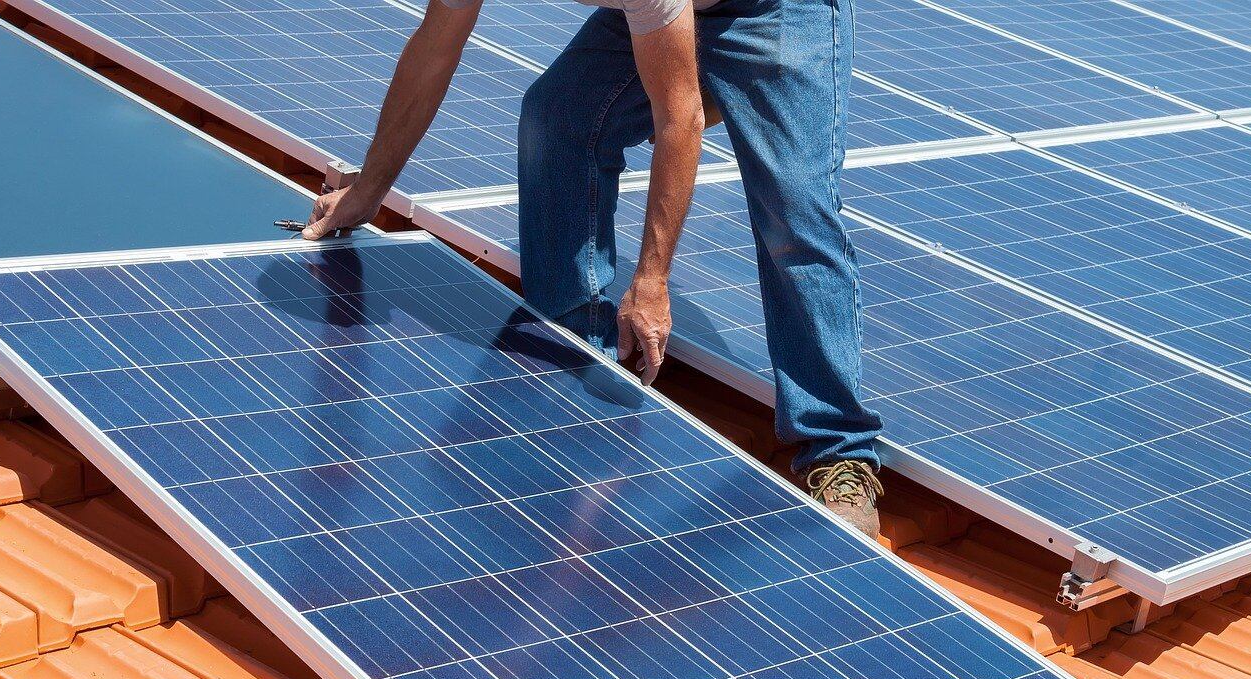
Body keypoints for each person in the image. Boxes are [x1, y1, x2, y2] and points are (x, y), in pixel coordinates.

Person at [301, 0, 886, 534]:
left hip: (779, 11)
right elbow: (436, 47)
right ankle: (575, 350)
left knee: (794, 211)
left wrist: (651, 280)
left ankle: (838, 449)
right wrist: (370, 186)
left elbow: (678, 118)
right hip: (670, 14)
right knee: (559, 117)